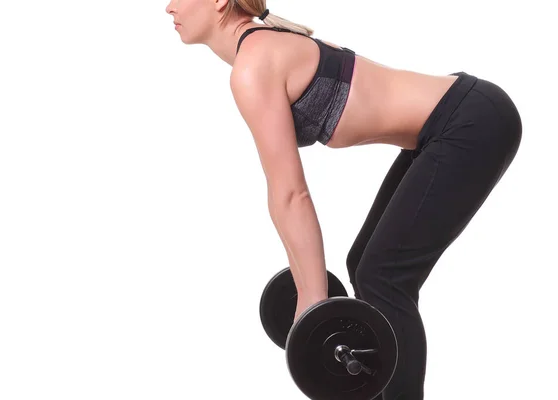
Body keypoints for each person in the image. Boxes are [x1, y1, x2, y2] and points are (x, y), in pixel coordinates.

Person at [166, 1, 522, 399]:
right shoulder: (261, 50)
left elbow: (290, 194)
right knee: (365, 265)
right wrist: (309, 295)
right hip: (457, 120)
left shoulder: (254, 65)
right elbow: (287, 197)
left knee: (382, 276)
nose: (168, 7)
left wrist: (314, 301)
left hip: (469, 123)